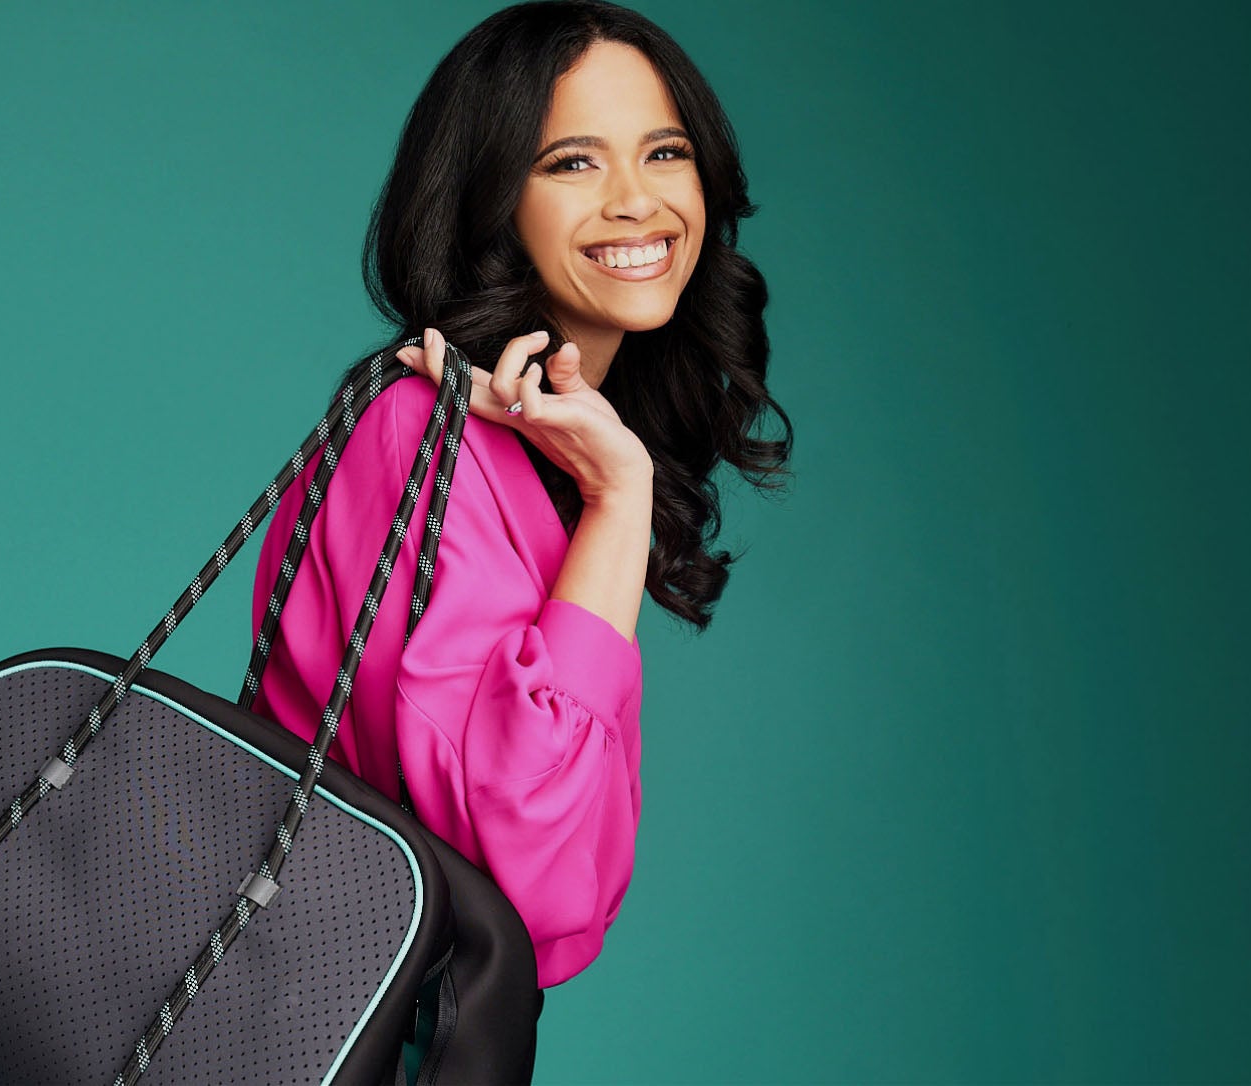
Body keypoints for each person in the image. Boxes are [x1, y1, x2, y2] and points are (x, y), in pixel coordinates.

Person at [241, 0, 795, 1016]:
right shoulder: (422, 436)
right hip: (301, 1021)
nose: (637, 201)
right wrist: (620, 500)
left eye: (663, 152)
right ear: (491, 204)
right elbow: (524, 890)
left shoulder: (536, 448)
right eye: (572, 163)